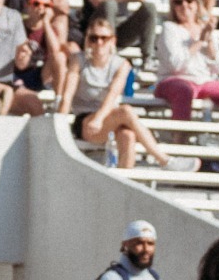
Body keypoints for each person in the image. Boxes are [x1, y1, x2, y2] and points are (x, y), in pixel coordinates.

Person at [62, 18, 195, 170]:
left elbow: (113, 95)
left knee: (128, 136)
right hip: (85, 121)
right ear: (87, 40)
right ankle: (165, 160)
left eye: (104, 38)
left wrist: (100, 118)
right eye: (94, 38)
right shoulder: (78, 60)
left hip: (108, 117)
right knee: (125, 111)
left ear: (112, 40)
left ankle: (125, 178)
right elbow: (67, 95)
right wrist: (61, 121)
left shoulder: (121, 64)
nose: (99, 43)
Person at [153, 0, 219, 123]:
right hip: (174, 80)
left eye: (189, 1)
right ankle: (180, 135)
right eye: (178, 2)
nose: (184, 5)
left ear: (197, 4)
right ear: (173, 6)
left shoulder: (204, 28)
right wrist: (200, 41)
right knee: (184, 91)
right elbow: (175, 66)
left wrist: (209, 41)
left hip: (203, 81)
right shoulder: (169, 28)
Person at [76, 0, 152, 63]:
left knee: (149, 8)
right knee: (109, 5)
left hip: (122, 28)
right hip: (96, 29)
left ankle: (148, 59)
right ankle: (109, 54)